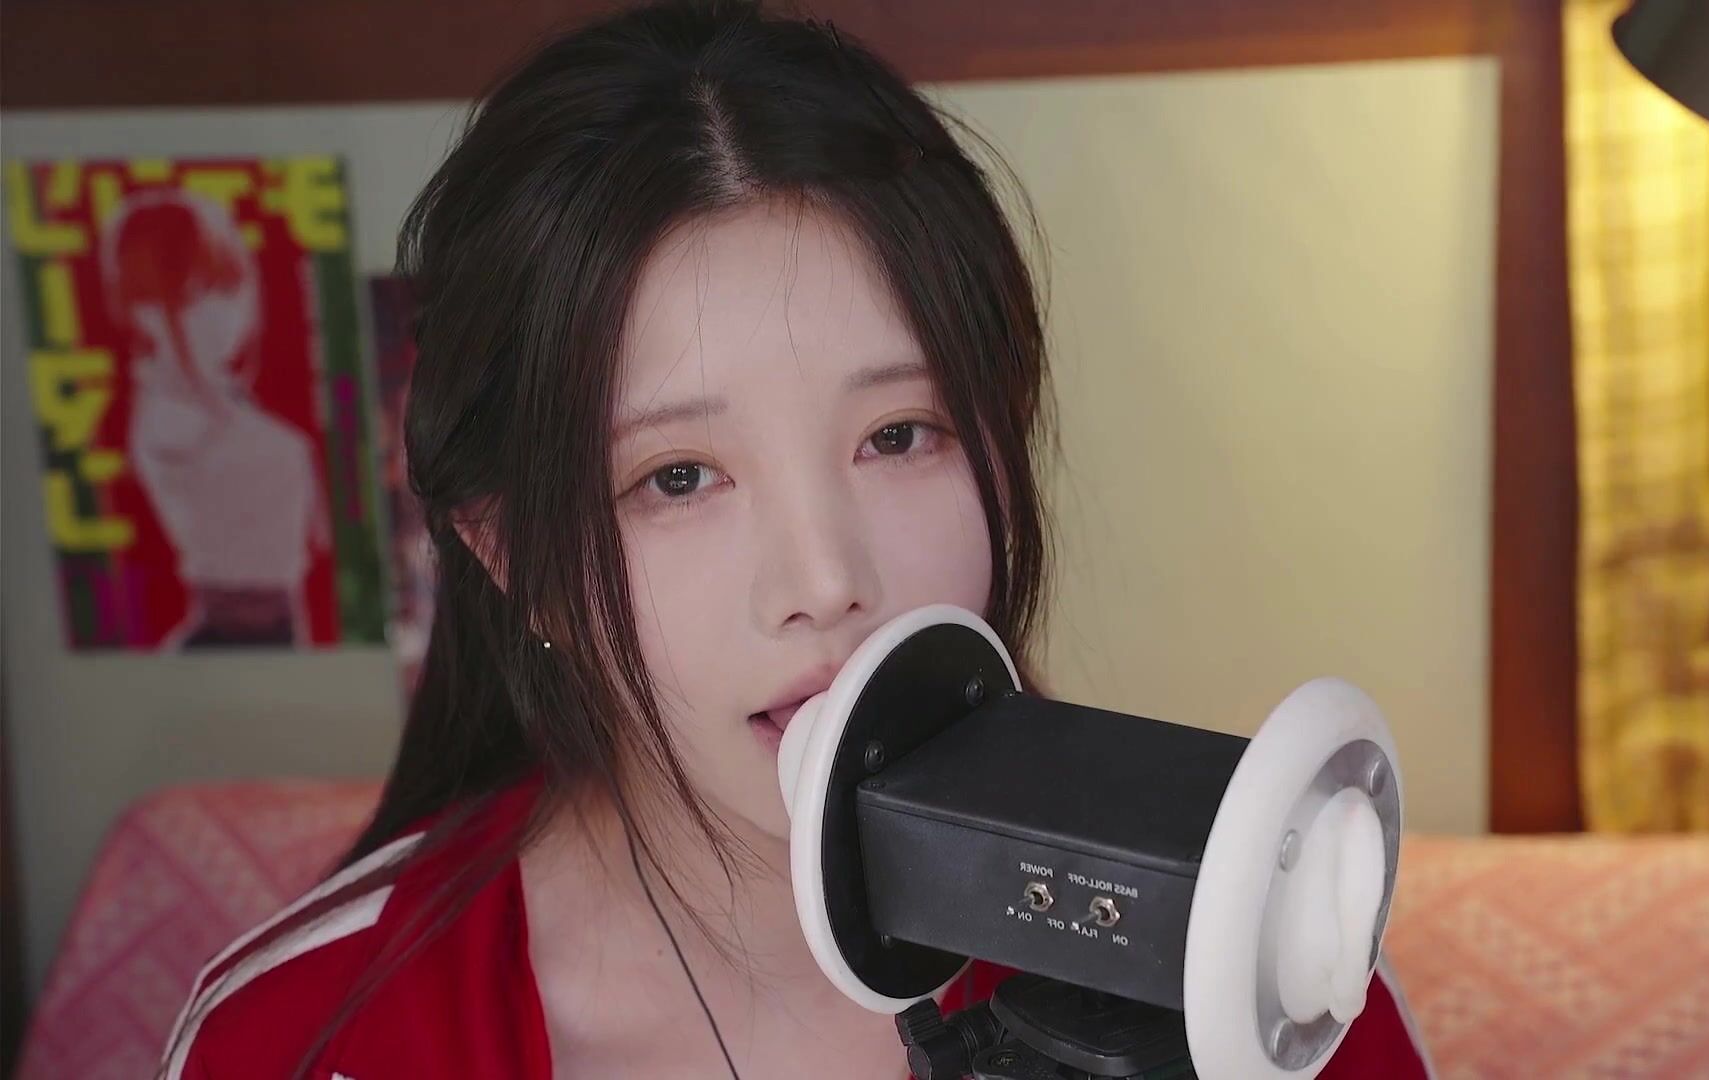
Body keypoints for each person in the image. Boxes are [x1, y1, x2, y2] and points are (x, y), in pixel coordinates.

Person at [159, 2, 1435, 1076]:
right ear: (512, 555)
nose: (828, 583)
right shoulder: (302, 1039)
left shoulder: (1263, 975)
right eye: (678, 477)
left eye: (899, 435)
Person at [107, 188, 328, 650]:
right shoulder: (169, 416)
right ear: (142, 311)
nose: (225, 312)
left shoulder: (215, 401)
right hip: (231, 638)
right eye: (195, 296)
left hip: (277, 631)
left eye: (229, 287)